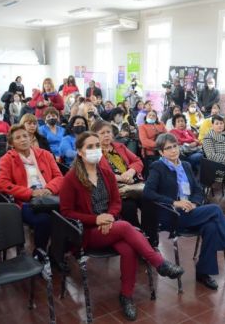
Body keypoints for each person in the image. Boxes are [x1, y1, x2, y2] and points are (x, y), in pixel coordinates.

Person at [60, 131, 184, 321]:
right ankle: (158, 262)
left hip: (110, 226)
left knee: (128, 249)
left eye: (97, 146)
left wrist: (108, 216)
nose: (95, 150)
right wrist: (96, 219)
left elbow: (116, 202)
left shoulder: (106, 173)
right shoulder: (71, 178)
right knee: (127, 227)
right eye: (89, 147)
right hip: (87, 231)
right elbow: (67, 211)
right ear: (79, 152)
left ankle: (126, 296)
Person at [144, 133, 225, 290]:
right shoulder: (158, 167)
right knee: (215, 209)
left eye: (175, 146)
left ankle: (203, 272)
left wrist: (195, 203)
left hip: (191, 212)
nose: (174, 150)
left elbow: (198, 190)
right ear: (161, 152)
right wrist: (175, 202)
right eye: (168, 148)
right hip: (172, 214)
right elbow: (148, 193)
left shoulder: (186, 166)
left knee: (211, 227)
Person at [0, 125, 64, 251]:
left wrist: (49, 189)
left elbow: (59, 177)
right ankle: (40, 252)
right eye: (18, 138)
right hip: (26, 202)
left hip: (50, 196)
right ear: (12, 143)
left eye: (25, 136)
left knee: (68, 216)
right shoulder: (6, 159)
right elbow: (2, 184)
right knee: (44, 220)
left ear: (30, 138)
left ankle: (59, 252)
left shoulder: (45, 154)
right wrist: (31, 193)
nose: (23, 139)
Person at [93, 121, 157, 244]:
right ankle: (138, 239)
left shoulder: (119, 146)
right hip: (115, 188)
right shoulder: (93, 152)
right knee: (129, 207)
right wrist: (119, 178)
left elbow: (138, 161)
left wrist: (130, 172)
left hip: (133, 183)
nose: (106, 135)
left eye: (108, 132)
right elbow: (96, 173)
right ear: (95, 136)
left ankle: (151, 239)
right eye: (102, 133)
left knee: (150, 200)